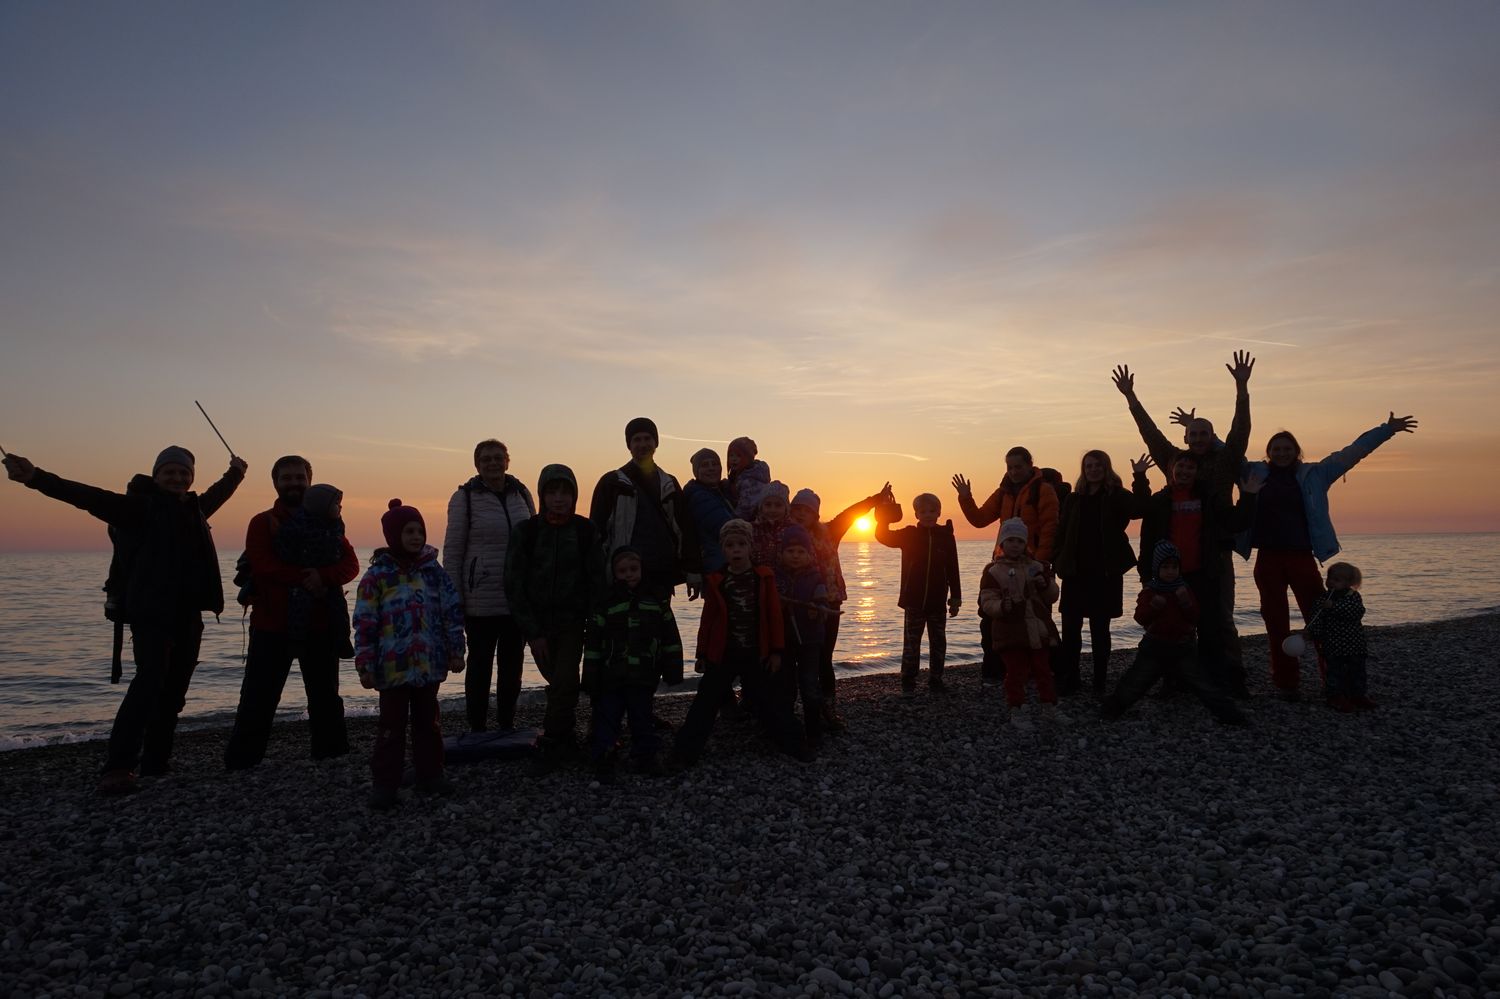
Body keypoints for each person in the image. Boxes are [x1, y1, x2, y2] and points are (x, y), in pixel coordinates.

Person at [5, 446, 246, 794]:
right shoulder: (137, 508)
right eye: (169, 472)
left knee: (174, 691)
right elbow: (86, 496)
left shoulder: (193, 508)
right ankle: (118, 766)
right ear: (156, 475)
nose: (177, 478)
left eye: (184, 473)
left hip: (188, 612)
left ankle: (156, 762)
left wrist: (236, 473)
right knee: (148, 685)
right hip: (150, 612)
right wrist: (35, 477)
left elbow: (216, 495)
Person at [1235, 413, 1417, 698]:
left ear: (1297, 451)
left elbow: (1353, 452)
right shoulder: (1253, 473)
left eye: (1287, 448)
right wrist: (1198, 430)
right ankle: (1286, 682)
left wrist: (1386, 430)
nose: (1282, 453)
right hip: (1268, 558)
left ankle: (1332, 678)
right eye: (1276, 449)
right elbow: (1228, 452)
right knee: (1275, 621)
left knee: (1320, 619)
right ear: (1268, 453)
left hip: (1301, 557)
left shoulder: (1316, 474)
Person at [1112, 351, 1255, 695]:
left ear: (1212, 436)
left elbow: (1241, 431)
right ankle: (1179, 678)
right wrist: (1131, 397)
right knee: (1173, 620)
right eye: (1194, 433)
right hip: (1172, 562)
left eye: (1205, 433)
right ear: (1187, 437)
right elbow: (1150, 434)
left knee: (1219, 619)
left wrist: (1241, 388)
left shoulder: (1225, 461)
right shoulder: (1173, 460)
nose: (1199, 438)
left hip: (1213, 556)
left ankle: (1230, 677)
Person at [224, 458, 357, 771]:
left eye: (300, 477)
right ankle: (242, 762)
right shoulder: (262, 522)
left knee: (325, 695)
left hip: (321, 623)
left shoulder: (329, 520)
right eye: (287, 478)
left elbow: (351, 564)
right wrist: (307, 578)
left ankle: (331, 756)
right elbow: (262, 565)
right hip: (271, 624)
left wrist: (323, 577)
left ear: (310, 481)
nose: (294, 483)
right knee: (258, 696)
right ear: (276, 483)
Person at [668, 520, 809, 766]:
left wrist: (776, 651)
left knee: (771, 701)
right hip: (724, 653)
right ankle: (683, 755)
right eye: (730, 545)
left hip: (756, 652)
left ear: (750, 547)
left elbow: (774, 616)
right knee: (705, 702)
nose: (736, 549)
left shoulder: (763, 577)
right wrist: (702, 654)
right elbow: (708, 620)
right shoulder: (717, 580)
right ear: (723, 549)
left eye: (741, 544)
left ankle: (796, 746)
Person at [353, 499, 465, 809]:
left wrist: (456, 650)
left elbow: (451, 612)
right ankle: (385, 784)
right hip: (392, 668)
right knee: (391, 726)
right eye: (409, 532)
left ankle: (431, 774)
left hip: (429, 664)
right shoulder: (377, 576)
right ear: (393, 536)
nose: (416, 537)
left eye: (419, 531)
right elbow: (365, 622)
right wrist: (364, 664)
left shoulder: (434, 572)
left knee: (428, 723)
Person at [1133, 453, 1259, 697]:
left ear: (1197, 472)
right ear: (1171, 469)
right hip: (1169, 577)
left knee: (1210, 630)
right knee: (1171, 631)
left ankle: (1214, 681)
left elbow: (1236, 523)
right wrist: (1146, 576)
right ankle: (1174, 682)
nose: (1185, 471)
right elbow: (1145, 534)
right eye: (1180, 466)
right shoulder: (1160, 500)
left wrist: (1248, 496)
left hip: (1204, 574)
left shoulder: (1209, 498)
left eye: (1190, 467)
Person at [508, 463, 607, 772]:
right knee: (557, 680)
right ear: (542, 495)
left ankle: (553, 742)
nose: (559, 498)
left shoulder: (585, 530)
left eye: (565, 492)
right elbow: (513, 583)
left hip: (572, 622)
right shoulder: (526, 531)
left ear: (574, 496)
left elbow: (597, 580)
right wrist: (532, 631)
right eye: (552, 492)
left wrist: (595, 623)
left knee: (565, 680)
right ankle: (566, 735)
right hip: (537, 624)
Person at [443, 438, 537, 733]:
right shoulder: (464, 498)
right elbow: (453, 551)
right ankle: (477, 727)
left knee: (512, 667)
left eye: (498, 457)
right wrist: (454, 598)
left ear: (507, 461)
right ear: (477, 465)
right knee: (480, 666)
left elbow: (534, 542)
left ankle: (507, 723)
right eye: (486, 459)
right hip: (480, 600)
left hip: (516, 598)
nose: (493, 463)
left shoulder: (522, 493)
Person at [1099, 542, 1248, 726]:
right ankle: (1110, 710)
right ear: (1157, 568)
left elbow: (1195, 617)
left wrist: (1186, 603)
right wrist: (1153, 606)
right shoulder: (1150, 591)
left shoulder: (1184, 590)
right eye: (1165, 567)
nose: (1170, 571)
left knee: (1204, 685)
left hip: (1182, 647)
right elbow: (1140, 618)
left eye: (1174, 567)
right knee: (1134, 683)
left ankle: (1230, 715)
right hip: (1154, 647)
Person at [953, 446, 1062, 685]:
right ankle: (996, 670)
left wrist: (1040, 563)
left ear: (1030, 465)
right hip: (1003, 564)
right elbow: (979, 519)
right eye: (1010, 467)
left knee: (1036, 619)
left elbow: (1050, 528)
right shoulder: (1003, 492)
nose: (1013, 472)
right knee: (993, 617)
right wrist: (965, 497)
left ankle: (1038, 671)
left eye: (1018, 467)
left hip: (1032, 564)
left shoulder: (1043, 490)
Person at [788, 483, 892, 730]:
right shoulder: (786, 535)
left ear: (816, 515)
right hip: (798, 604)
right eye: (796, 509)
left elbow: (851, 513)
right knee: (796, 658)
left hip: (830, 603)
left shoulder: (830, 531)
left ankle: (828, 708)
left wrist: (875, 498)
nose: (801, 514)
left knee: (824, 657)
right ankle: (792, 710)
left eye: (806, 510)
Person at [583, 547, 684, 782]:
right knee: (608, 716)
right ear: (614, 573)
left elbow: (670, 637)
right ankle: (604, 756)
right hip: (611, 675)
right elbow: (593, 643)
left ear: (641, 570)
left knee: (642, 716)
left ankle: (645, 756)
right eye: (622, 571)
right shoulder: (606, 602)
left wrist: (673, 670)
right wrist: (589, 677)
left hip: (644, 674)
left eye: (633, 569)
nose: (629, 574)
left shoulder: (656, 600)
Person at [1053, 451, 1146, 696]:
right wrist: (1055, 561)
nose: (1093, 469)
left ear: (1106, 468)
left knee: (1100, 629)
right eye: (1088, 466)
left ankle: (1099, 682)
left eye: (1098, 465)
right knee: (1070, 629)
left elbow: (1140, 509)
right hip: (1075, 573)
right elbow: (1061, 532)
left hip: (1105, 573)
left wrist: (1139, 477)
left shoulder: (1117, 495)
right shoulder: (1073, 499)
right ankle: (1071, 679)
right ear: (1083, 469)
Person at [589, 417, 701, 601]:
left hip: (661, 574)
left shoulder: (669, 483)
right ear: (629, 445)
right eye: (637, 439)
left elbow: (685, 528)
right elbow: (597, 533)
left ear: (656, 442)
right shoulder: (612, 483)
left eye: (647, 438)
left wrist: (693, 570)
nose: (643, 444)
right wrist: (597, 576)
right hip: (623, 573)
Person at [874, 493, 962, 694]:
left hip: (938, 601)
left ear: (939, 512)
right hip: (913, 601)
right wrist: (884, 513)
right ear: (916, 514)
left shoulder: (946, 537)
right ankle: (908, 680)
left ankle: (936, 679)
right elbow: (883, 536)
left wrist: (955, 599)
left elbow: (953, 569)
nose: (928, 515)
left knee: (938, 642)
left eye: (932, 511)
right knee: (911, 643)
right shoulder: (909, 534)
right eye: (923, 511)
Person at [978, 518, 1061, 728]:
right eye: (1010, 540)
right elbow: (987, 601)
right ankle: (1017, 709)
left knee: (1043, 669)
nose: (1015, 545)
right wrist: (1001, 607)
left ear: (1025, 544)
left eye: (1020, 541)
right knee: (1016, 672)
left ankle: (1049, 706)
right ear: (1002, 543)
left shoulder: (1036, 566)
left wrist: (1045, 585)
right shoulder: (993, 571)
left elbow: (1052, 596)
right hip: (1010, 630)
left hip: (1038, 629)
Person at [774, 523, 833, 746]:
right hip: (784, 641)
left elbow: (823, 603)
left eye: (801, 551)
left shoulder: (816, 578)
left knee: (809, 684)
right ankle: (788, 729)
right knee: (786, 685)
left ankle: (814, 731)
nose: (795, 556)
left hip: (810, 640)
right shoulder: (775, 578)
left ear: (809, 555)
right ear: (781, 554)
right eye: (790, 551)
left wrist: (818, 609)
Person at [1305, 562, 1371, 712]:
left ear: (1348, 583)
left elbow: (1357, 612)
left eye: (1337, 580)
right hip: (1332, 643)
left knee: (1357, 671)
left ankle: (1358, 695)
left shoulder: (1353, 596)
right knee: (1335, 671)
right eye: (1330, 578)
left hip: (1354, 642)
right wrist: (1311, 631)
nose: (1331, 582)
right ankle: (1335, 696)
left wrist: (1334, 607)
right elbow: (1316, 617)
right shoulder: (1323, 598)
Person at [684, 448, 737, 575]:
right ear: (696, 472)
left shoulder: (721, 492)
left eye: (715, 464)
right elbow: (728, 529)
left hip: (728, 564)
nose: (711, 468)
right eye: (705, 465)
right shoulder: (699, 498)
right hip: (718, 568)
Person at [727, 436, 771, 521]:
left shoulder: (751, 481)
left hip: (749, 523)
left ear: (748, 458)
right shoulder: (737, 477)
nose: (734, 459)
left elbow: (746, 508)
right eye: (731, 455)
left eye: (739, 456)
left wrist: (731, 521)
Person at [750, 480, 794, 567]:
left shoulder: (793, 530)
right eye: (768, 505)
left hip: (784, 574)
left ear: (786, 509)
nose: (772, 510)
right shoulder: (752, 529)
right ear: (761, 507)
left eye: (778, 505)